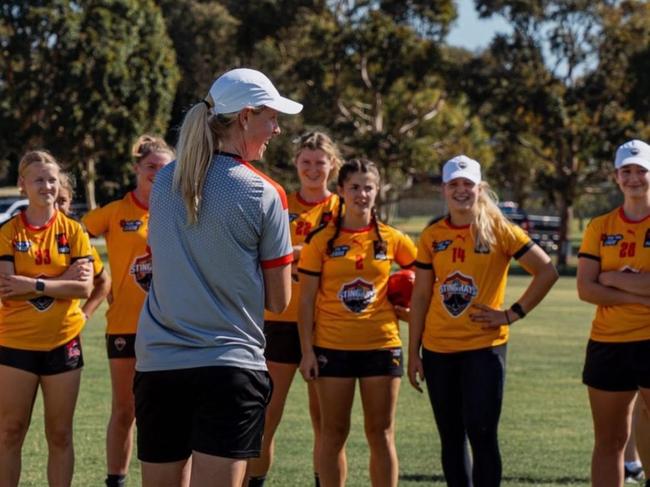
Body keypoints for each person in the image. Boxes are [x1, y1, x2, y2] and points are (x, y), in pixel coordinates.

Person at [134, 68, 301, 487]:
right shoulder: (264, 191)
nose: (277, 129)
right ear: (245, 117)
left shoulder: (165, 181)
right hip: (228, 368)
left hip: (157, 366)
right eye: (271, 117)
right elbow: (279, 301)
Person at [408, 155, 558, 487]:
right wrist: (413, 351)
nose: (461, 191)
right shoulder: (432, 234)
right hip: (438, 349)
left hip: (484, 348)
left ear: (480, 188)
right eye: (454, 184)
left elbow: (547, 271)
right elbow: (420, 297)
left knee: (483, 432)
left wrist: (511, 314)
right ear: (444, 190)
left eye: (468, 184)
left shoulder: (500, 230)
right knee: (451, 436)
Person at [298, 158, 417, 487]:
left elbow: (426, 276)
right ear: (340, 191)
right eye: (354, 187)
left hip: (381, 345)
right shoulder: (321, 241)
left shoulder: (392, 239)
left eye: (368, 187)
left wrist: (406, 306)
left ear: (377, 192)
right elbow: (305, 301)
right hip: (331, 347)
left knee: (381, 434)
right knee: (333, 433)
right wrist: (307, 351)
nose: (362, 194)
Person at [246, 132, 342, 487]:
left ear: (333, 165)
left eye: (320, 162)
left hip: (327, 324)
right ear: (296, 164)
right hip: (279, 321)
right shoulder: (279, 204)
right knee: (266, 417)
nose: (313, 169)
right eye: (306, 162)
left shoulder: (343, 209)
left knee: (327, 425)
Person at [82, 135, 174, 487]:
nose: (157, 173)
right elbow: (74, 235)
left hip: (173, 327)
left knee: (171, 412)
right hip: (125, 324)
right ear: (137, 168)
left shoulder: (181, 208)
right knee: (125, 410)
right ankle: (116, 481)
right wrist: (100, 275)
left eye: (164, 169)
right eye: (151, 166)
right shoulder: (117, 211)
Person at [0, 150, 93, 487]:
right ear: (23, 184)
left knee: (60, 434)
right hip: (15, 345)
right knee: (10, 433)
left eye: (52, 179)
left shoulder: (73, 230)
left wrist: (34, 283)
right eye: (39, 179)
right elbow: (7, 288)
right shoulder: (8, 232)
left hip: (63, 343)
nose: (47, 186)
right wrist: (61, 279)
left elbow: (84, 287)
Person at [577, 139, 650, 487]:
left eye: (641, 171)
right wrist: (638, 296)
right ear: (617, 177)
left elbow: (599, 281)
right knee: (609, 442)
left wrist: (611, 278)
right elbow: (586, 288)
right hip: (608, 342)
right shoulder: (600, 227)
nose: (634, 178)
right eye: (627, 171)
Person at [57, 172, 111, 321]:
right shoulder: (19, 233)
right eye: (52, 200)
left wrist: (84, 315)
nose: (55, 207)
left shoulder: (77, 238)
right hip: (22, 331)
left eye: (62, 201)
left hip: (64, 331)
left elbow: (104, 282)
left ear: (70, 202)